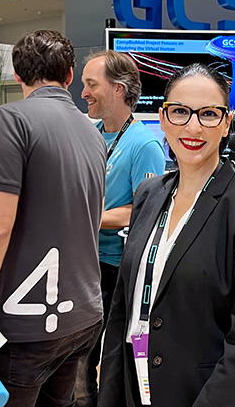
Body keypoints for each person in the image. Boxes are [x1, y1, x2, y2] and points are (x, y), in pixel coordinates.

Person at [98, 63, 235, 407]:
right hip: (134, 386)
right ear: (164, 118)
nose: (193, 127)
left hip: (199, 395)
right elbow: (122, 310)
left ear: (226, 123)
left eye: (209, 114)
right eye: (180, 112)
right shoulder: (148, 195)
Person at [0, 29, 107, 407]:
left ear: (17, 76)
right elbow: (80, 215)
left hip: (24, 325)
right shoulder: (91, 131)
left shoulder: (9, 120)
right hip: (80, 317)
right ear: (69, 76)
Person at [76, 50, 165, 407]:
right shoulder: (91, 132)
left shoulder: (144, 144)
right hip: (83, 260)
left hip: (112, 267)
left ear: (118, 89)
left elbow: (145, 210)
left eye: (90, 84)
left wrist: (85, 216)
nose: (83, 93)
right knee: (77, 358)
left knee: (96, 360)